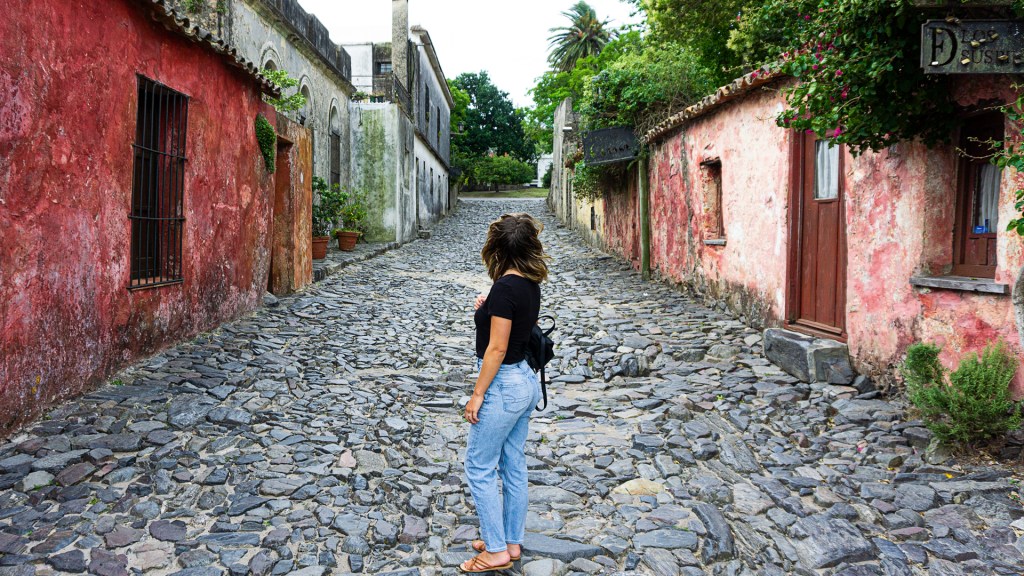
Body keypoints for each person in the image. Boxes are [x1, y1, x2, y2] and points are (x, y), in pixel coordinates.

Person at [460, 212, 548, 573]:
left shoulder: (505, 287)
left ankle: (494, 550)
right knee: (513, 464)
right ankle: (510, 542)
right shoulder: (528, 284)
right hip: (526, 382)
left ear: (497, 248)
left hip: (505, 385)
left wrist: (478, 394)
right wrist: (488, 310)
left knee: (478, 467)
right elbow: (517, 328)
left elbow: (497, 349)